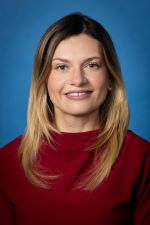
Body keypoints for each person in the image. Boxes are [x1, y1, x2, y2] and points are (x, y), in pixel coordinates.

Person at [0, 12, 149, 225]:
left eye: (92, 65)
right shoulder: (6, 164)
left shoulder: (142, 158)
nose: (78, 80)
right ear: (43, 80)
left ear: (110, 77)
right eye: (62, 67)